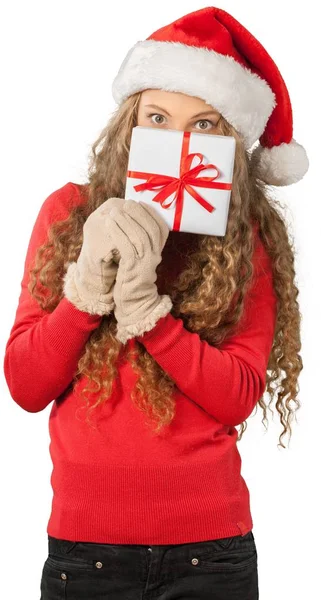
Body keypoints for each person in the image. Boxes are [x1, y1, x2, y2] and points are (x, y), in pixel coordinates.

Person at [3, 6, 308, 600]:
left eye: (207, 124)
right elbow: (25, 385)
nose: (178, 141)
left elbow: (238, 396)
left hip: (209, 557)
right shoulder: (69, 214)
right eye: (159, 117)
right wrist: (86, 291)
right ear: (131, 123)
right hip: (85, 555)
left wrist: (149, 315)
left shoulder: (246, 235)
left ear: (234, 143)